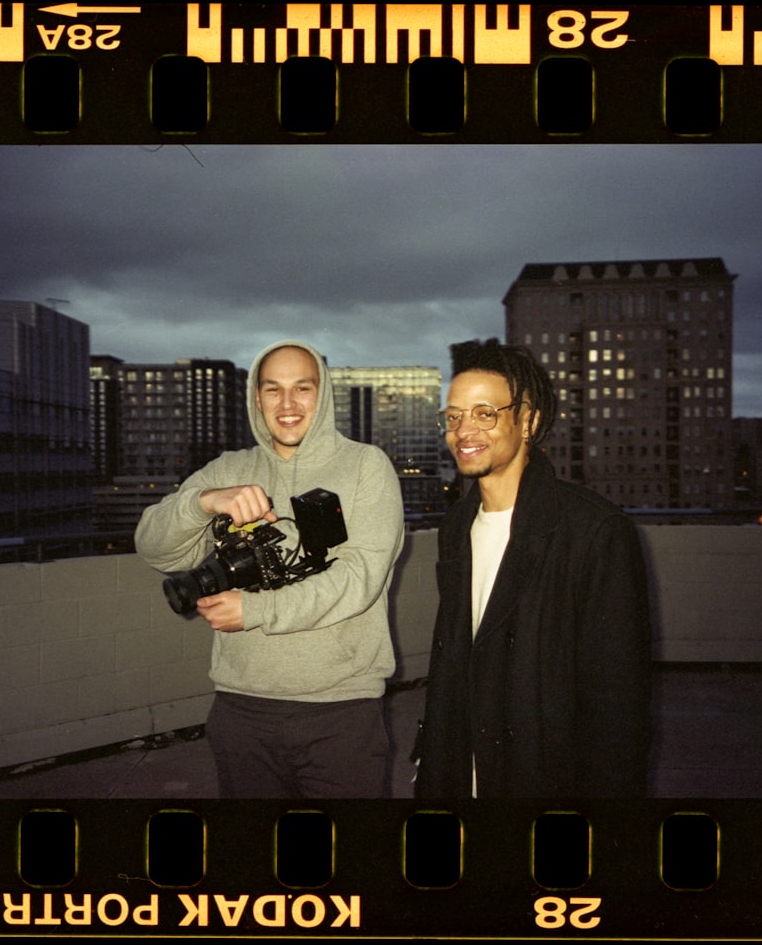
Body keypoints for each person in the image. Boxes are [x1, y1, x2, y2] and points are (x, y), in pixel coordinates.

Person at [135, 340, 404, 798]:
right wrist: (205, 502)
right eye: (272, 389)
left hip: (340, 711)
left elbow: (359, 578)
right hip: (242, 713)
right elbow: (153, 547)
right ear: (256, 397)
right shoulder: (230, 468)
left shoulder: (365, 466)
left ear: (324, 395)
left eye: (303, 388)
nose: (287, 404)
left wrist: (258, 610)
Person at [413, 339, 651, 799]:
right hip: (463, 772)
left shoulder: (594, 531)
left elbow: (618, 708)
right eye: (454, 415)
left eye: (486, 413)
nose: (464, 430)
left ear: (529, 422)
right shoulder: (457, 525)